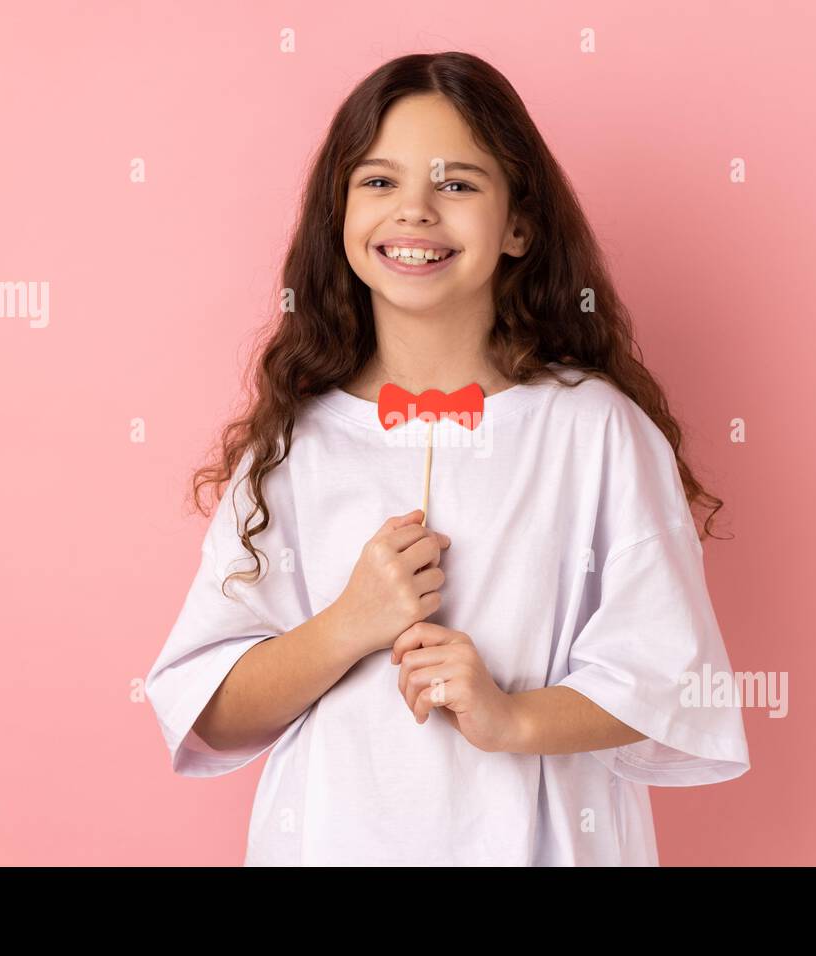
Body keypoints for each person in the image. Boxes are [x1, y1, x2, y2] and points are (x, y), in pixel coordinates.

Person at [145, 51, 750, 866]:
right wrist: (348, 624)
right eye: (379, 182)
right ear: (340, 214)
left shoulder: (593, 432)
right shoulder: (290, 447)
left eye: (457, 184)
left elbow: (671, 678)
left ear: (519, 226)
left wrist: (512, 718)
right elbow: (207, 710)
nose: (416, 212)